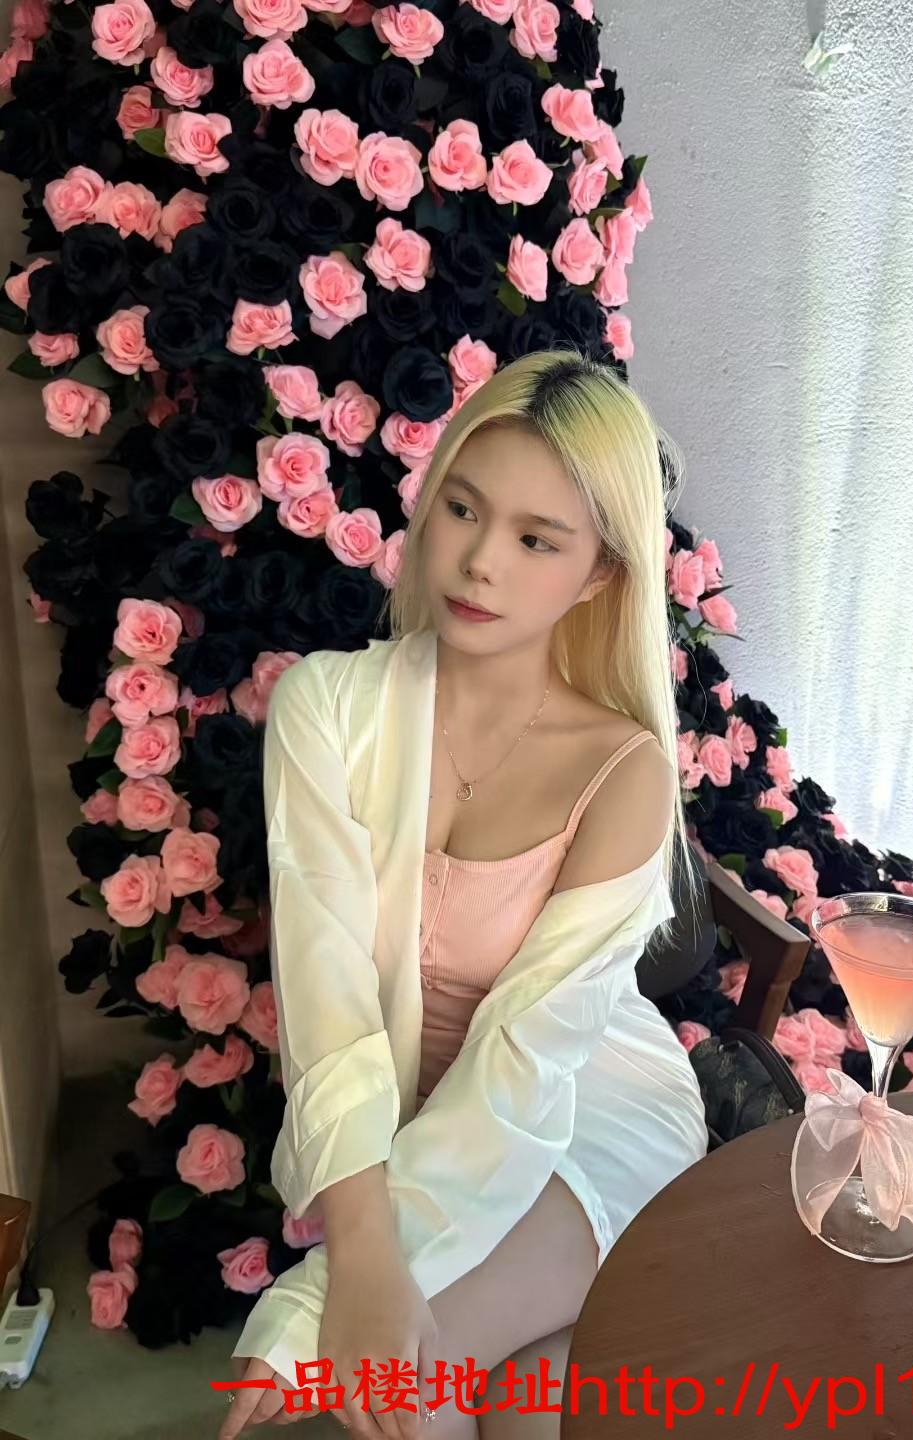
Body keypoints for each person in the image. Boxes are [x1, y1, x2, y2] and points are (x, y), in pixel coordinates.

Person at [221, 349, 708, 1440]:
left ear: (598, 576)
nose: (481, 562)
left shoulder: (623, 769)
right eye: (463, 509)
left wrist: (310, 1306)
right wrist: (359, 1254)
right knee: (514, 1399)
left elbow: (526, 1063)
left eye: (538, 540)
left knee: (410, 1386)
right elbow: (328, 998)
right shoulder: (326, 708)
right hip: (420, 1114)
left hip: (588, 1107)